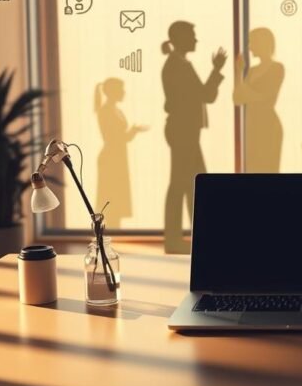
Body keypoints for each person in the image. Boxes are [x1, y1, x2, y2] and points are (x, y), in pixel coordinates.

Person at [161, 21, 227, 254]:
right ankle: (177, 240)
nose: (196, 39)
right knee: (187, 184)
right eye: (192, 35)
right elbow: (205, 95)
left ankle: (185, 238)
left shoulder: (179, 64)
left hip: (184, 131)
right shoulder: (177, 66)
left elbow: (200, 96)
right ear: (180, 38)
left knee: (190, 184)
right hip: (183, 132)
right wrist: (217, 70)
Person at [94, 78, 148, 229]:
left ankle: (115, 231)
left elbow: (122, 138)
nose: (124, 92)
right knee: (111, 199)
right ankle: (112, 232)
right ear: (113, 91)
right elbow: (113, 137)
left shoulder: (116, 110)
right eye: (121, 89)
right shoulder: (105, 111)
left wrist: (134, 131)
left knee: (117, 200)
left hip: (118, 157)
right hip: (111, 158)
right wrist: (132, 131)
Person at [234, 27, 285, 173]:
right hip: (252, 125)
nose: (249, 47)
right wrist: (239, 72)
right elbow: (237, 99)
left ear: (263, 43)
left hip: (268, 126)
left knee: (268, 168)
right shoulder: (251, 70)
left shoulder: (277, 68)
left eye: (252, 42)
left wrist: (247, 93)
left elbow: (264, 96)